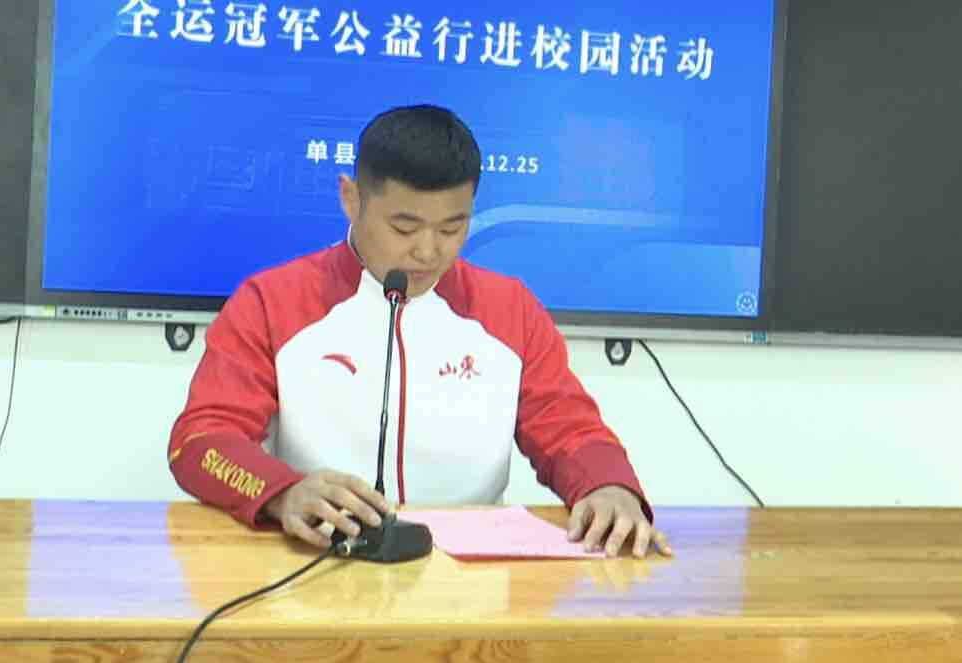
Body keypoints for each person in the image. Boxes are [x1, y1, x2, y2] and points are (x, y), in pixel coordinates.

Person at [168, 104, 671, 559]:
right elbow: (202, 438)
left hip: (474, 583)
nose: (428, 252)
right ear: (351, 199)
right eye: (404, 228)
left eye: (452, 228)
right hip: (321, 559)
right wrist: (283, 493)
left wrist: (609, 486)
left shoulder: (509, 308)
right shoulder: (272, 301)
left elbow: (569, 427)